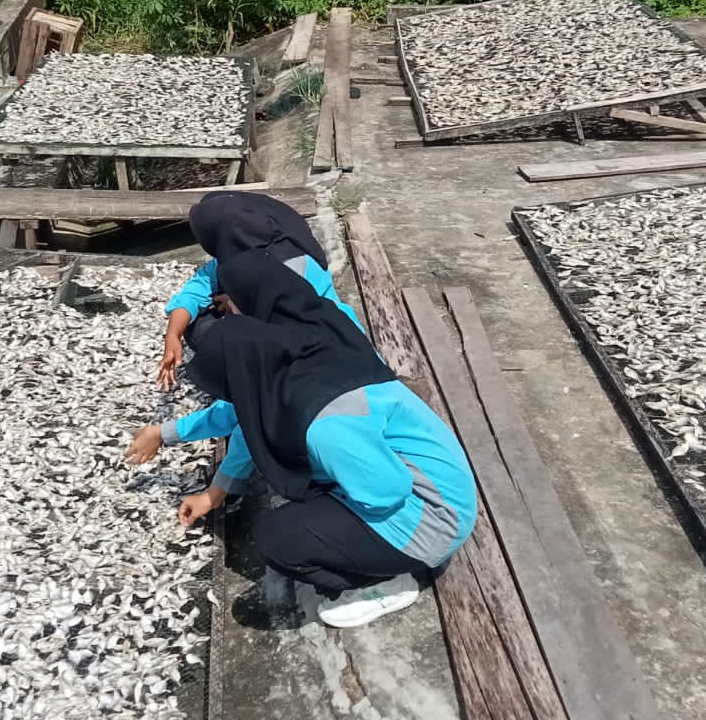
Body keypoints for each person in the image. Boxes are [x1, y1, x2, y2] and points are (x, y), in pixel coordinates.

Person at [128, 252, 477, 628]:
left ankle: (388, 581)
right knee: (294, 482)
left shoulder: (326, 427)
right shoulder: (300, 359)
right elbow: (242, 415)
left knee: (278, 540)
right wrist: (171, 443)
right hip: (430, 478)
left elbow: (388, 490)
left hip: (431, 519)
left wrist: (325, 497)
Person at [157, 191, 360, 390]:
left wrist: (237, 306)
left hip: (320, 346)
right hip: (275, 329)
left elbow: (292, 325)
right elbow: (194, 291)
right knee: (198, 325)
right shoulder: (237, 249)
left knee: (225, 341)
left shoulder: (294, 264)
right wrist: (173, 336)